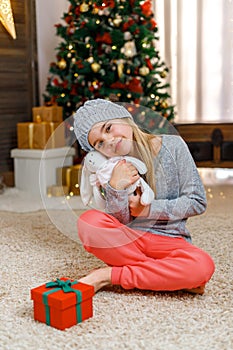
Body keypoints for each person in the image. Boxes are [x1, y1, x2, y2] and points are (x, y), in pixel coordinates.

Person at [73, 98, 215, 294]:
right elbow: (119, 221)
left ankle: (108, 276)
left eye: (108, 128)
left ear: (124, 118)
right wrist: (115, 187)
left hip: (170, 240)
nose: (110, 141)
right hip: (129, 240)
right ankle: (165, 275)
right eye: (99, 143)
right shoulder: (109, 169)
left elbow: (197, 202)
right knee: (88, 222)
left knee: (202, 266)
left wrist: (148, 209)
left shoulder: (173, 146)